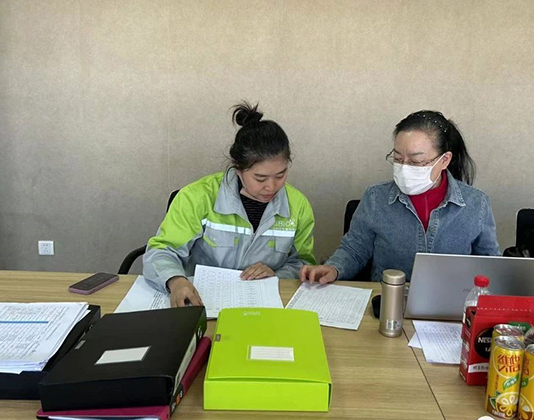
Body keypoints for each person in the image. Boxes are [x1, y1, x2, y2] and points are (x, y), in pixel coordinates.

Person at [144, 102, 316, 307]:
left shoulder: (298, 205)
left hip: (263, 305)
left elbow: (303, 262)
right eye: (260, 178)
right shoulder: (197, 197)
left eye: (280, 175)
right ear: (238, 170)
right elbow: (162, 251)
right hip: (201, 301)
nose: (271, 187)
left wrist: (277, 275)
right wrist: (176, 281)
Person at [300, 110, 499, 284]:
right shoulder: (376, 198)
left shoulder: (476, 204)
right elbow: (354, 250)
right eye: (397, 159)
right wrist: (334, 268)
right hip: (388, 300)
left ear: (444, 160)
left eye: (416, 161)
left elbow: (491, 263)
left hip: (451, 306)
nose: (404, 168)